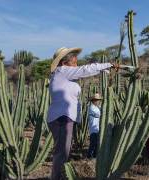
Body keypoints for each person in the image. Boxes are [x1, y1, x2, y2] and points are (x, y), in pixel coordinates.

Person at [47, 47, 119, 180]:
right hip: (62, 118)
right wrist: (108, 64)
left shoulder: (63, 76)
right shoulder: (62, 71)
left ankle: (59, 176)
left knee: (63, 152)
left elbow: (84, 72)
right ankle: (57, 177)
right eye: (74, 63)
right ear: (64, 63)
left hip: (63, 117)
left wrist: (104, 70)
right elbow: (85, 70)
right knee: (62, 152)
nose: (76, 66)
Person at [86, 93, 102, 159]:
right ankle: (89, 156)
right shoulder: (92, 108)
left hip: (97, 128)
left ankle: (95, 156)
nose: (98, 101)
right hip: (93, 128)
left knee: (96, 143)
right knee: (93, 143)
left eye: (98, 100)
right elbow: (98, 114)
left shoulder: (96, 107)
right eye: (97, 100)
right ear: (93, 101)